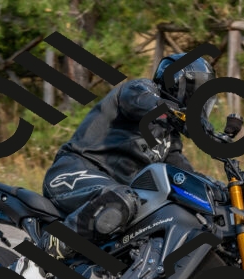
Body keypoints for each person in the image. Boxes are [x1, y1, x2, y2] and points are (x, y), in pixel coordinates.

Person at [37, 53, 218, 260]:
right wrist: (178, 114)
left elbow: (184, 176)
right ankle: (49, 249)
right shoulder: (138, 90)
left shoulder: (170, 137)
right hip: (73, 172)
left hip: (113, 192)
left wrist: (219, 191)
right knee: (122, 199)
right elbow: (142, 101)